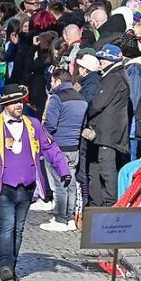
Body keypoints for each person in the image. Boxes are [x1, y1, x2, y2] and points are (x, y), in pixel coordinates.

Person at [0, 84, 70, 281]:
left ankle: (13, 264)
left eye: (20, 101)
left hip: (27, 186)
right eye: (13, 102)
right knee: (7, 226)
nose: (18, 105)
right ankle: (6, 267)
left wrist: (63, 169)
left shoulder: (34, 124)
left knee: (18, 229)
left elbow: (50, 147)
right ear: (4, 105)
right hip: (1, 185)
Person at [84, 45, 133, 206]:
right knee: (101, 167)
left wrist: (87, 111)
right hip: (111, 131)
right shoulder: (120, 75)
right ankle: (100, 203)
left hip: (107, 132)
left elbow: (97, 104)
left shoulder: (112, 78)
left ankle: (108, 203)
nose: (101, 62)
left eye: (104, 59)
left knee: (106, 169)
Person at [40, 69, 87, 232]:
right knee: (71, 183)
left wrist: (41, 136)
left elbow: (50, 125)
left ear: (58, 81)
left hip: (57, 147)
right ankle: (70, 218)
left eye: (52, 81)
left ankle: (60, 218)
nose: (51, 85)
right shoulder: (81, 98)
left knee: (59, 185)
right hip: (74, 147)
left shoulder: (56, 98)